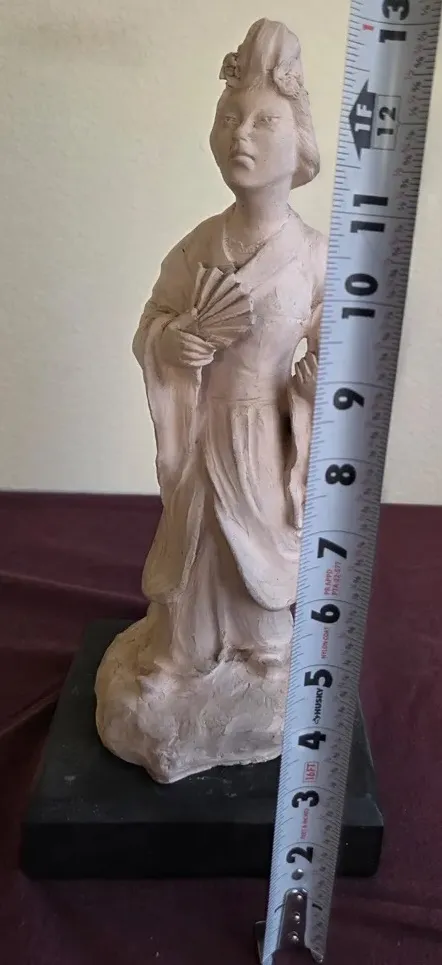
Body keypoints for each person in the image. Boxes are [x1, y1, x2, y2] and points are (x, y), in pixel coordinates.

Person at [96, 18, 327, 782]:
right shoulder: (199, 246)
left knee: (258, 546)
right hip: (205, 427)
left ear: (300, 142)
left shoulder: (315, 256)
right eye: (230, 117)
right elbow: (153, 324)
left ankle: (264, 653)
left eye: (265, 122)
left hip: (265, 432)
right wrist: (176, 343)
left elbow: (336, 355)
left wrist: (315, 386)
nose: (241, 135)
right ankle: (179, 654)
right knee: (194, 545)